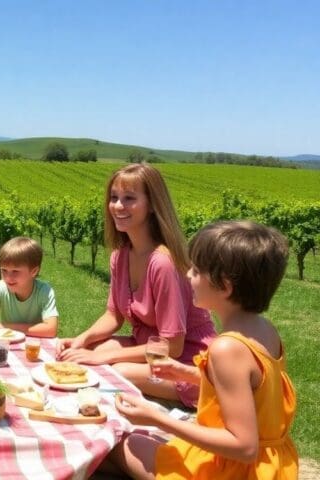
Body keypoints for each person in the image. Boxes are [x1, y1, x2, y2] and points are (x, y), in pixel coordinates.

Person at [110, 220, 298, 479]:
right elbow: (251, 394)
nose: (187, 276)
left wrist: (157, 419)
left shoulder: (227, 349)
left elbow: (244, 446)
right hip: (271, 466)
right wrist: (184, 372)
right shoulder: (264, 330)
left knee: (121, 444)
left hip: (232, 470)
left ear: (225, 286)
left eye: (196, 271)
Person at [56, 163, 216, 407]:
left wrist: (104, 358)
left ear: (152, 205)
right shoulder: (120, 256)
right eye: (114, 198)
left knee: (115, 369)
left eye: (129, 198)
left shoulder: (163, 263)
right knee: (94, 352)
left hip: (187, 361)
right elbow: (113, 315)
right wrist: (83, 339)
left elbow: (172, 347)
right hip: (149, 347)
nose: (118, 206)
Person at [0, 237, 58, 338]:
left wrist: (6, 326)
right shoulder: (2, 286)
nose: (8, 278)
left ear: (34, 271)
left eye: (15, 271)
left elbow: (51, 329)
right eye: (4, 270)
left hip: (33, 346)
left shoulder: (44, 291)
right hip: (6, 343)